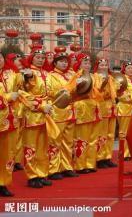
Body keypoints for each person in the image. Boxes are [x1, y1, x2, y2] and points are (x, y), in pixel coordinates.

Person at [22, 43, 53, 188]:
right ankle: (32, 175)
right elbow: (24, 95)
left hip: (46, 114)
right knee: (30, 146)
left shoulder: (47, 74)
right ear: (32, 58)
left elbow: (51, 92)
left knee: (43, 146)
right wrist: (40, 106)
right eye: (38, 57)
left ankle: (42, 173)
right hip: (33, 115)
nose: (40, 60)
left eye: (42, 57)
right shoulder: (27, 74)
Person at [45, 48, 79, 180]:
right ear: (55, 63)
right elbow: (51, 92)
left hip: (70, 111)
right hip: (58, 111)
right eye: (61, 62)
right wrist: (65, 90)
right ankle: (53, 169)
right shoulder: (51, 76)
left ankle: (67, 167)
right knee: (55, 141)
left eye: (66, 61)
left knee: (68, 141)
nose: (65, 64)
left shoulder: (71, 75)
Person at [72, 53, 100, 174]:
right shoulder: (75, 76)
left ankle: (90, 163)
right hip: (82, 108)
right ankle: (80, 164)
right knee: (81, 138)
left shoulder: (94, 77)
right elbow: (70, 91)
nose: (88, 65)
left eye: (89, 63)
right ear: (79, 64)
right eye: (85, 63)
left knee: (93, 138)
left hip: (93, 107)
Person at [0, 53, 22, 196]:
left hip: (10, 120)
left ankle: (3, 183)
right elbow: (10, 96)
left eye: (0, 57)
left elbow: (21, 90)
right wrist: (8, 97)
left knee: (8, 154)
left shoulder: (11, 74)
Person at [93, 58, 118, 168]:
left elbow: (116, 91)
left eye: (105, 65)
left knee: (111, 134)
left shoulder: (111, 77)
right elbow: (96, 92)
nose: (104, 67)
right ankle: (99, 157)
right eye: (101, 65)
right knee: (101, 134)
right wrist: (103, 84)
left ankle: (107, 156)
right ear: (97, 66)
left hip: (111, 107)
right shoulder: (95, 77)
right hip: (102, 106)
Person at [117, 61, 132, 160]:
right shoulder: (121, 79)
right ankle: (124, 153)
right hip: (124, 107)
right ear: (124, 69)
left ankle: (131, 152)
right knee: (123, 132)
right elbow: (120, 95)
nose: (131, 70)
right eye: (128, 68)